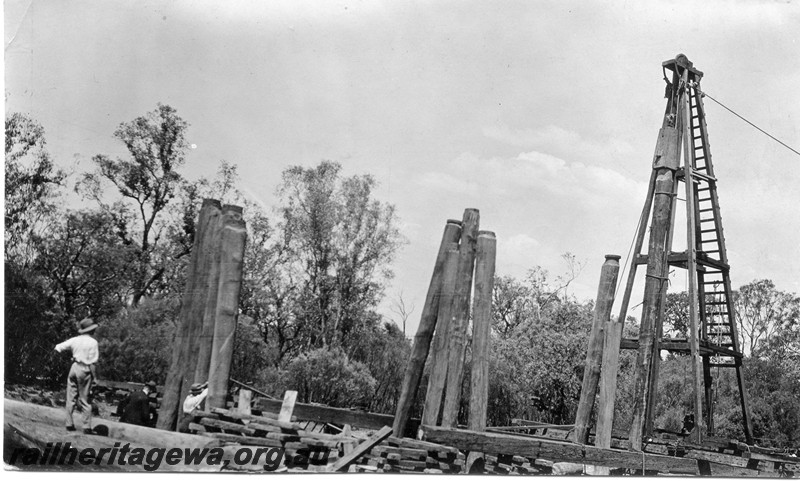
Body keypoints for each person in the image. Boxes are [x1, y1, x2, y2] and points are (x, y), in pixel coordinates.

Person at [55, 318, 99, 434]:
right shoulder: (93, 343)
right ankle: (87, 427)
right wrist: (95, 378)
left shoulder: (75, 340)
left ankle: (69, 424)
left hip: (74, 367)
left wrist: (65, 362)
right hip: (85, 369)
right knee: (85, 399)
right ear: (91, 330)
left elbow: (58, 347)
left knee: (71, 398)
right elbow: (93, 363)